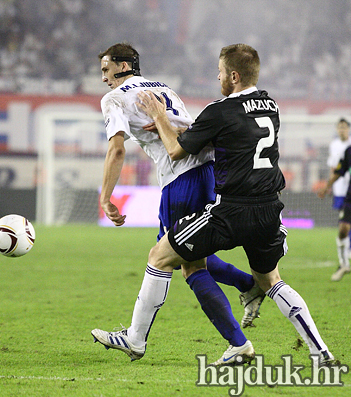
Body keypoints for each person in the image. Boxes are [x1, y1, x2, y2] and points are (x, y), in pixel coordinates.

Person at [117, 43, 335, 367]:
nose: (217, 77)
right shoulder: (270, 105)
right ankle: (321, 352)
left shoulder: (219, 111)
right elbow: (230, 134)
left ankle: (136, 337)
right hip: (269, 211)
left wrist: (161, 118)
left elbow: (177, 151)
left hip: (231, 211)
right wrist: (185, 129)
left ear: (233, 76)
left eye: (219, 72)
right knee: (273, 281)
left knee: (161, 255)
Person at [91, 43, 262, 365]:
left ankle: (235, 343)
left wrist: (105, 196)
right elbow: (193, 129)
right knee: (185, 252)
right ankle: (248, 285)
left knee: (185, 263)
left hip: (182, 181)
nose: (103, 79)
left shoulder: (114, 98)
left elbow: (116, 150)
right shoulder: (162, 87)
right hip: (209, 173)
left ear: (123, 65)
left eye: (105, 69)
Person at [318, 126, 351, 281]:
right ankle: (344, 264)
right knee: (343, 229)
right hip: (350, 197)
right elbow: (339, 172)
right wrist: (326, 188)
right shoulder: (349, 151)